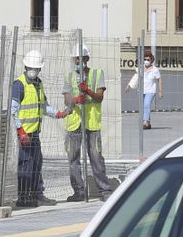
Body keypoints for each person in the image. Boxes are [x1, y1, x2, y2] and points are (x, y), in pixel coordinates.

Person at [64, 46, 116, 202]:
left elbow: (99, 97)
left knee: (95, 156)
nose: (79, 61)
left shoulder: (97, 74)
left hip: (92, 124)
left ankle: (105, 191)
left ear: (87, 59)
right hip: (74, 123)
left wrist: (88, 92)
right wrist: (75, 100)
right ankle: (79, 191)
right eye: (76, 59)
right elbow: (66, 100)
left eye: (82, 58)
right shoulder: (69, 76)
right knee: (73, 158)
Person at [10, 50, 60, 208]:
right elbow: (13, 109)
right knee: (25, 165)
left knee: (37, 163)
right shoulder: (19, 85)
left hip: (34, 133)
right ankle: (24, 197)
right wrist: (20, 130)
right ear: (25, 66)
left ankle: (37, 194)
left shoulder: (39, 84)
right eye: (31, 68)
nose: (34, 71)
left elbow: (43, 106)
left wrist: (57, 113)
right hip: (23, 133)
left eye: (36, 68)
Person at [129, 50, 162, 129]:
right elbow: (135, 76)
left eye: (148, 60)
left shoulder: (155, 70)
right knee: (144, 106)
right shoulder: (140, 68)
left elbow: (159, 79)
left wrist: (160, 91)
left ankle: (145, 121)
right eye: (145, 59)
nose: (146, 61)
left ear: (151, 60)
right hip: (142, 90)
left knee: (147, 104)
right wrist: (129, 85)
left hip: (151, 91)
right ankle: (148, 123)